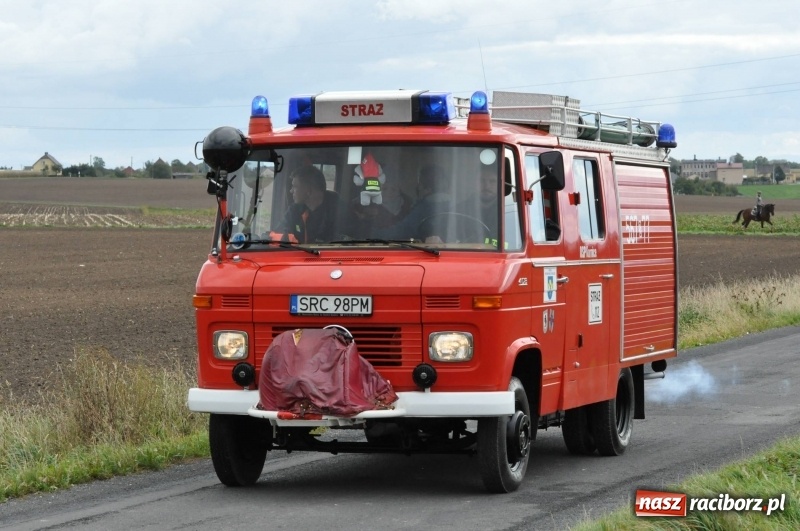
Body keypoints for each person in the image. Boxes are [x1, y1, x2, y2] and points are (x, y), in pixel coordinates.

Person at [378, 164, 451, 242]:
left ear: (428, 189)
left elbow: (402, 230)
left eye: (420, 183)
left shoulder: (423, 208)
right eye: (385, 188)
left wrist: (371, 234)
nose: (417, 187)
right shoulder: (455, 206)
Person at [271, 165, 340, 243]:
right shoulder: (295, 210)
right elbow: (276, 234)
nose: (291, 191)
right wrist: (288, 239)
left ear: (308, 190)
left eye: (295, 186)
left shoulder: (339, 214)